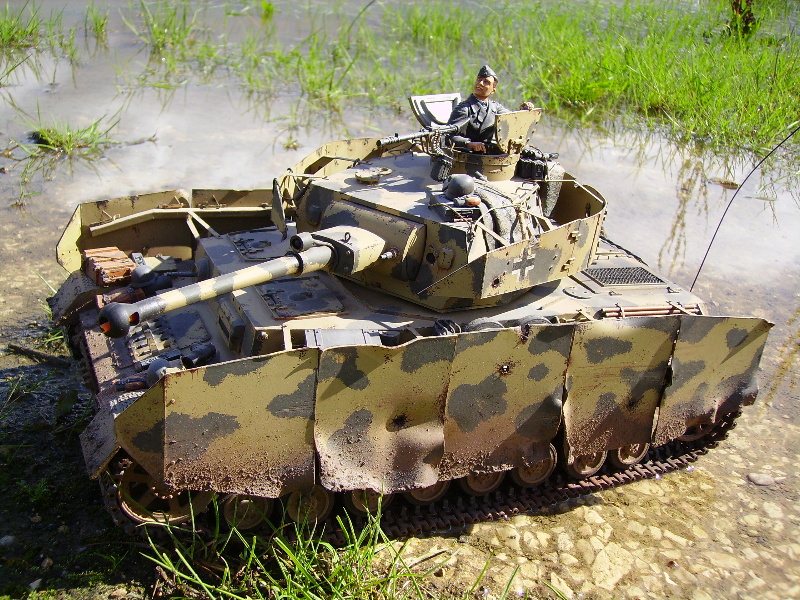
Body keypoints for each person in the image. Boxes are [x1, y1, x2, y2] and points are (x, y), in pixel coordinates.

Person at [447, 65, 535, 154]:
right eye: (479, 79)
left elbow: (511, 119)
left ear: (493, 90)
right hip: (467, 156)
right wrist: (469, 144)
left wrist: (523, 110)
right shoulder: (464, 109)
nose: (480, 83)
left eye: (486, 82)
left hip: (487, 153)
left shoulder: (495, 107)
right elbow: (448, 137)